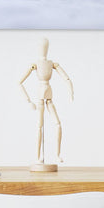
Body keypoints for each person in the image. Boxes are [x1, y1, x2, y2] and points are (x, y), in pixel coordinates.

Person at [18, 38, 73, 171]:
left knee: (58, 124)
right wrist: (28, 101)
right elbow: (20, 82)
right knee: (39, 126)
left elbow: (66, 78)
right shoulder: (35, 65)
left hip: (49, 96)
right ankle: (39, 157)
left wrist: (71, 91)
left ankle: (58, 154)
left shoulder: (53, 64)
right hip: (40, 97)